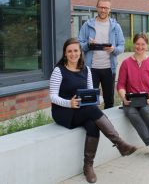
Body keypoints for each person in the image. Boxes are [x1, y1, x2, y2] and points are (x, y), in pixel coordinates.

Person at [49, 38, 137, 183]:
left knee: (92, 125)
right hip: (63, 111)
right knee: (91, 111)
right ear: (65, 54)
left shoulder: (86, 70)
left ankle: (88, 166)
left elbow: (90, 92)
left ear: (80, 52)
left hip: (82, 110)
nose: (73, 54)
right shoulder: (59, 70)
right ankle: (120, 143)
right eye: (69, 51)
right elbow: (52, 96)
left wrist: (98, 99)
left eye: (76, 50)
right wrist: (68, 103)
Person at [117, 33, 149, 160]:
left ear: (147, 46)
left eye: (143, 44)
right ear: (133, 45)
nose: (140, 47)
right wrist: (124, 98)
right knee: (131, 113)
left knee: (145, 110)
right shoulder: (126, 63)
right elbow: (121, 85)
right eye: (137, 44)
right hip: (131, 100)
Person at [78, 0, 125, 109]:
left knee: (109, 100)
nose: (103, 10)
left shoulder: (116, 27)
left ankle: (107, 124)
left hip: (109, 69)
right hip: (91, 69)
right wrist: (88, 45)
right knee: (90, 99)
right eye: (101, 7)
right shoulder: (87, 25)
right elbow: (79, 45)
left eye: (106, 8)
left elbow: (122, 46)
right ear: (97, 8)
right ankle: (92, 122)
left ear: (110, 9)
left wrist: (114, 49)